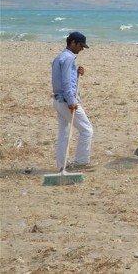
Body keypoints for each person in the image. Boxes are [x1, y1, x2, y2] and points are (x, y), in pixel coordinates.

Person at [51, 31, 94, 171]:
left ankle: (61, 165)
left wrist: (77, 72)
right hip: (66, 101)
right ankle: (81, 162)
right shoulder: (69, 58)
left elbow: (64, 78)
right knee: (87, 130)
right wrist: (71, 102)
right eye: (80, 45)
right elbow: (66, 83)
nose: (81, 49)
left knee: (64, 132)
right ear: (72, 42)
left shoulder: (60, 57)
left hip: (58, 100)